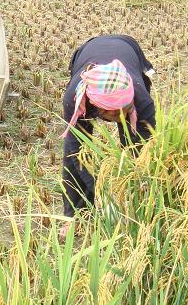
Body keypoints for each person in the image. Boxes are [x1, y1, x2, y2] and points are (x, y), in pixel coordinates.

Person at [60, 35, 156, 237]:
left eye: (124, 110)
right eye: (113, 113)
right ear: (95, 105)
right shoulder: (75, 99)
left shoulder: (141, 100)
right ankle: (75, 215)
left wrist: (132, 187)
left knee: (134, 148)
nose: (118, 117)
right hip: (88, 51)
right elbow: (76, 154)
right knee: (76, 155)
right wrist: (101, 192)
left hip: (127, 47)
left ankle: (137, 207)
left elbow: (145, 151)